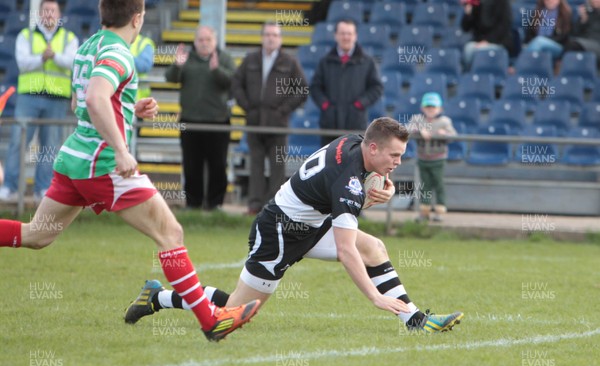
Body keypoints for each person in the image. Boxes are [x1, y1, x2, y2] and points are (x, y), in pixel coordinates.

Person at [0, 0, 259, 343]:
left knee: (36, 235)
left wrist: (127, 107)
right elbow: (93, 100)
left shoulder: (89, 45)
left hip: (75, 158)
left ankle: (206, 318)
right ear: (137, 18)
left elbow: (83, 102)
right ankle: (211, 321)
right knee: (171, 234)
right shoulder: (119, 52)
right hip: (104, 164)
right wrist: (122, 150)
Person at [125, 117, 464, 334]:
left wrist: (376, 184)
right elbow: (346, 251)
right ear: (373, 147)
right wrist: (374, 298)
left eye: (401, 156)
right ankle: (159, 296)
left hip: (311, 227)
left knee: (374, 248)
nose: (398, 162)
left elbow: (350, 188)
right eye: (394, 156)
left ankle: (415, 320)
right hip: (279, 234)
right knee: (232, 314)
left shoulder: (354, 142)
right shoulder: (345, 180)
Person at [0, 0, 78, 203]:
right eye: (45, 10)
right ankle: (10, 186)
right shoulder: (25, 36)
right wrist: (42, 58)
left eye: (53, 11)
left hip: (57, 99)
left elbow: (72, 61)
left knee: (50, 146)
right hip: (29, 97)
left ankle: (43, 187)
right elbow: (23, 63)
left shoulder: (69, 38)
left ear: (59, 15)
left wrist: (54, 56)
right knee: (19, 141)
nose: (49, 14)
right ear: (39, 13)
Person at [232, 22, 308, 215]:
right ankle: (254, 204)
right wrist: (246, 106)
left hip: (278, 125)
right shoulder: (250, 60)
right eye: (267, 35)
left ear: (280, 39)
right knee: (255, 165)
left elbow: (302, 90)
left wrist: (284, 110)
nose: (271, 38)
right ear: (262, 37)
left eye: (274, 35)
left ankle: (275, 206)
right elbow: (236, 83)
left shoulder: (289, 62)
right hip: (254, 122)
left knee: (277, 167)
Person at [165, 26, 235, 210]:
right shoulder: (187, 58)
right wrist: (177, 65)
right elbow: (170, 78)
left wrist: (216, 70)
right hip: (190, 121)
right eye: (201, 40)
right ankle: (193, 203)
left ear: (215, 41)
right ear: (195, 41)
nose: (204, 43)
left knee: (218, 165)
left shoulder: (224, 58)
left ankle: (215, 204)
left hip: (218, 122)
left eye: (208, 39)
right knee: (191, 164)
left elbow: (232, 81)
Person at [310, 19, 383, 147]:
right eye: (342, 33)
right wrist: (326, 105)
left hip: (355, 125)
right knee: (329, 165)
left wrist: (360, 104)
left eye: (349, 33)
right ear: (336, 35)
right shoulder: (325, 61)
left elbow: (376, 88)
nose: (346, 37)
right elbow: (315, 87)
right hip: (329, 126)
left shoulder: (367, 62)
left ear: (355, 36)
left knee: (354, 164)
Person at [407, 93, 457, 223]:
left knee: (438, 183)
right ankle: (425, 211)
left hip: (438, 158)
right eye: (428, 107)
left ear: (439, 109)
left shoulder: (444, 121)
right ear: (423, 108)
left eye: (433, 107)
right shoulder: (417, 119)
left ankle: (440, 210)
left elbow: (453, 136)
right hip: (423, 158)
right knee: (425, 185)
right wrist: (419, 131)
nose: (430, 110)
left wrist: (444, 134)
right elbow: (407, 130)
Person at [460, 0, 514, 68]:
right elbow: (466, 28)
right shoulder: (476, 3)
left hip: (498, 42)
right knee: (468, 48)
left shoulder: (502, 2)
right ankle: (470, 75)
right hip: (479, 42)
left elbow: (504, 26)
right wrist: (468, 14)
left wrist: (487, 41)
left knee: (471, 50)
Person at [563, 0, 600, 66]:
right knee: (570, 43)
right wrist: (583, 20)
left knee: (573, 45)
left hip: (597, 43)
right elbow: (575, 33)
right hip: (584, 41)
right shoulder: (588, 12)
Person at [131, 32, 155, 101]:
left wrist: (124, 55)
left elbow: (144, 67)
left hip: (138, 98)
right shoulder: (113, 40)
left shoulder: (144, 42)